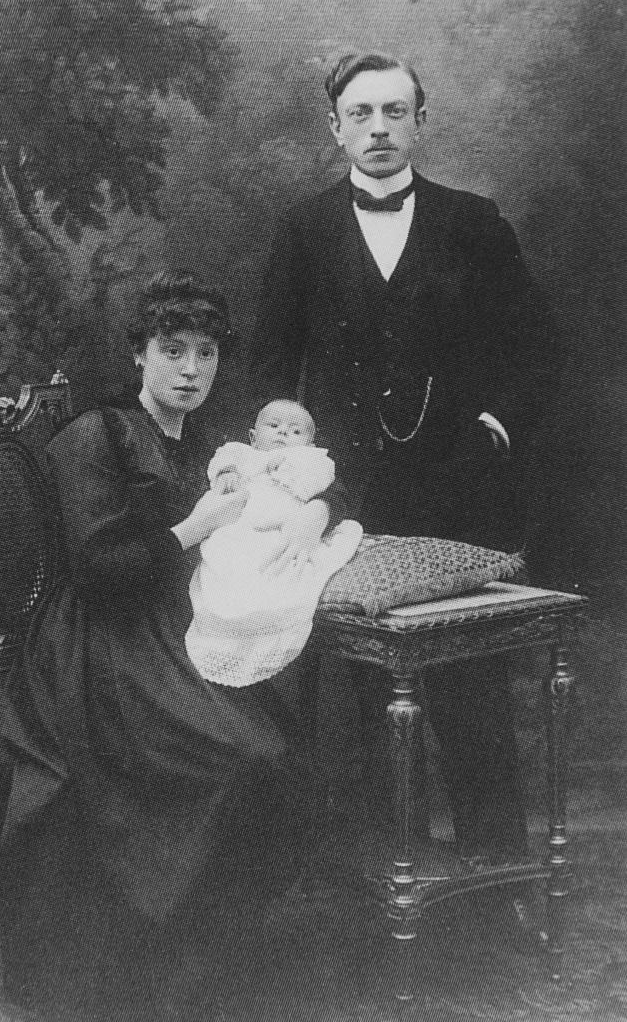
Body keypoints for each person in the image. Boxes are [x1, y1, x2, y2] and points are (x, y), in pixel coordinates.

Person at [250, 52, 556, 943]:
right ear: (333, 127)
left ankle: (498, 895)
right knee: (358, 699)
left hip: (462, 494)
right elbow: (270, 365)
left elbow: (537, 346)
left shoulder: (474, 223)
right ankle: (382, 896)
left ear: (421, 121)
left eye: (395, 111)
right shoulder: (303, 230)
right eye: (360, 112)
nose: (378, 128)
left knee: (472, 692)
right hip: (345, 500)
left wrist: (495, 425)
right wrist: (289, 464)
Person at [0, 272, 316, 1022]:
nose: (191, 370)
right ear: (140, 354)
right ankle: (158, 979)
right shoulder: (94, 436)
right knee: (236, 754)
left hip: (172, 631)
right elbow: (99, 570)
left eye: (205, 354)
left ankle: (202, 968)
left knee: (274, 746)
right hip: (97, 648)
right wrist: (199, 528)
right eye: (172, 351)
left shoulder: (206, 444)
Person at [186, 399, 362, 687]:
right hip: (240, 528)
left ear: (310, 443)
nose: (283, 434)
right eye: (274, 426)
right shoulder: (240, 454)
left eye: (295, 432)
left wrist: (291, 472)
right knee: (226, 565)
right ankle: (229, 635)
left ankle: (271, 629)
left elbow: (324, 486)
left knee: (284, 575)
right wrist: (227, 475)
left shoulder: (311, 461)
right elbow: (221, 468)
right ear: (253, 435)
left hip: (285, 530)